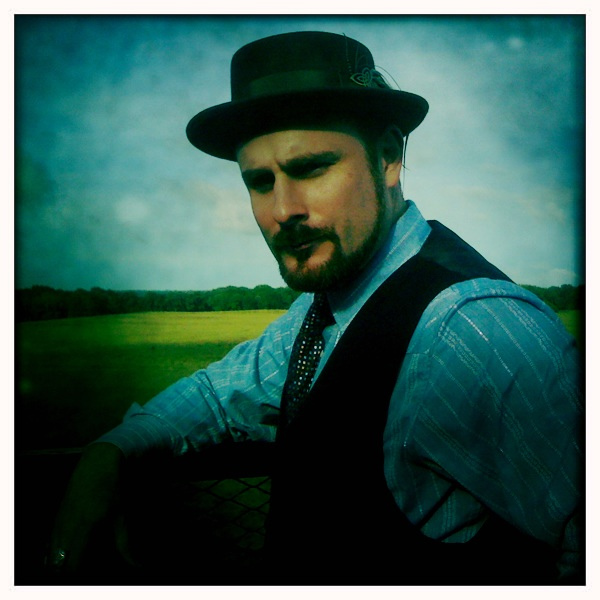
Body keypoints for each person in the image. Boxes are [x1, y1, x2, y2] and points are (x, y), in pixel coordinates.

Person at [46, 31, 583, 585]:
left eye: (311, 169)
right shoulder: (328, 310)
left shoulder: (475, 331)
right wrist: (110, 453)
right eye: (260, 181)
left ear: (388, 157)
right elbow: (218, 394)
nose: (283, 210)